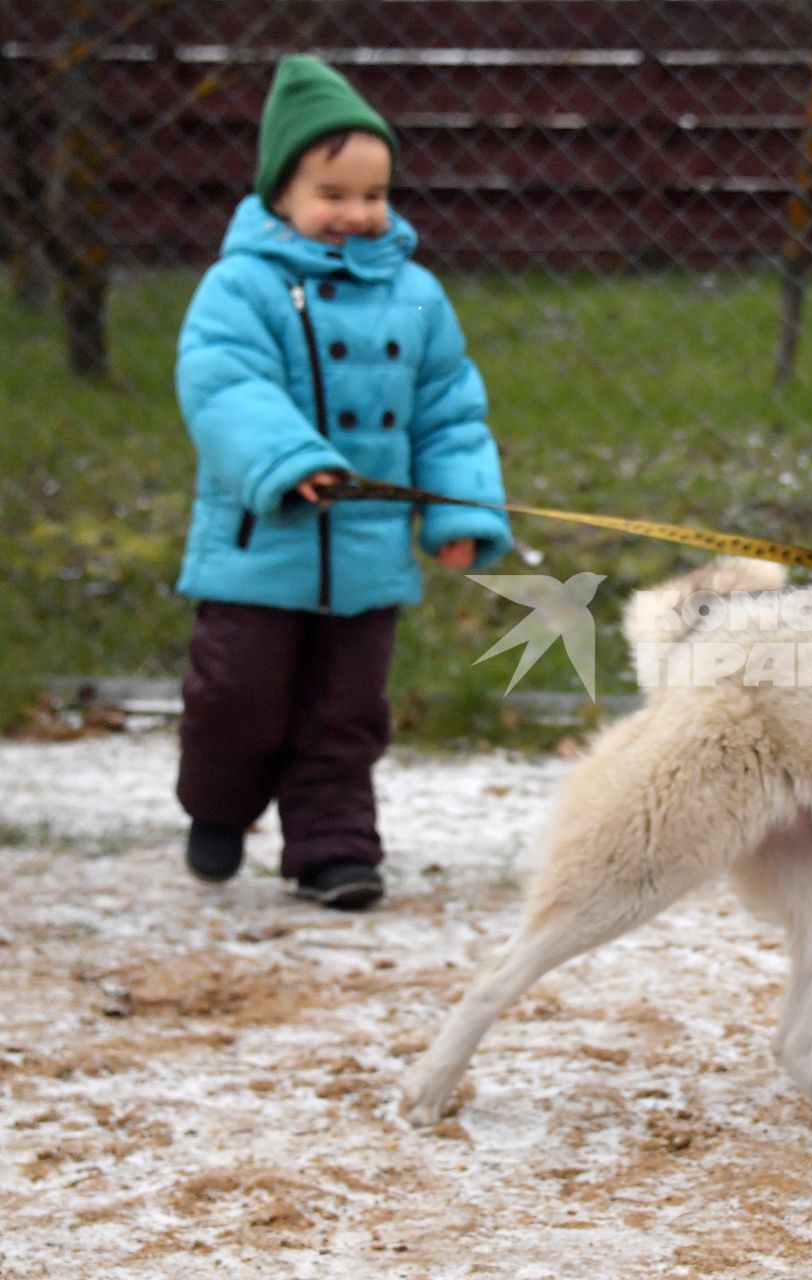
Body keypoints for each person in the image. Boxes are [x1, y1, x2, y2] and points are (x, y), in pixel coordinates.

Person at [172, 55, 512, 909]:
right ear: (281, 194)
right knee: (237, 700)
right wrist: (292, 463)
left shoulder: (419, 296)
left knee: (345, 712)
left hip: (365, 562)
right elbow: (223, 386)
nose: (358, 214)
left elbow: (448, 411)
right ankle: (216, 807)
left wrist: (458, 512)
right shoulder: (241, 287)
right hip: (260, 548)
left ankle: (333, 850)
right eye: (334, 195)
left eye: (375, 195)